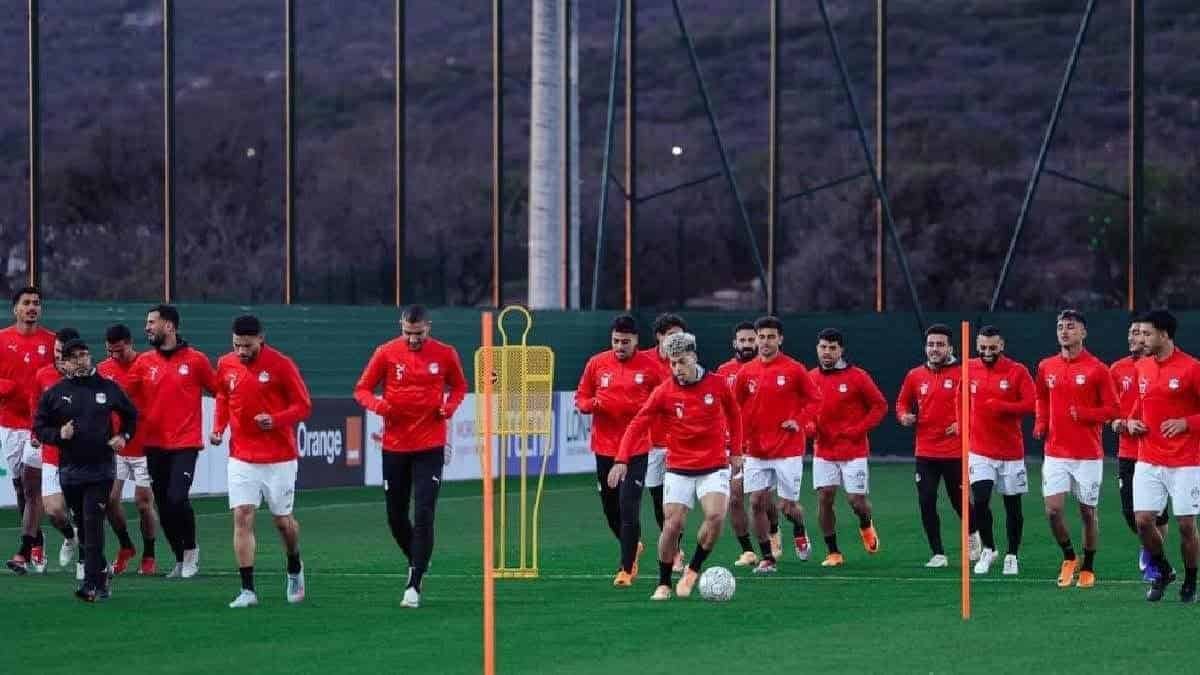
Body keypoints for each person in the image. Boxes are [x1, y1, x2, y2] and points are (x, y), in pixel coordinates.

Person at [609, 332, 742, 601]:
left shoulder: (716, 384)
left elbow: (734, 415)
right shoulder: (664, 391)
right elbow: (638, 423)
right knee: (672, 525)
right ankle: (664, 582)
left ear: (694, 357)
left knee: (716, 517)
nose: (677, 369)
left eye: (681, 362)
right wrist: (622, 459)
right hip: (679, 466)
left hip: (713, 463)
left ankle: (693, 569)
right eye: (672, 363)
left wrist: (736, 451)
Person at [354, 305, 467, 608]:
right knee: (395, 516)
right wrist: (380, 407)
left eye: (418, 334)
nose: (412, 339)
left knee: (425, 512)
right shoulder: (386, 353)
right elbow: (362, 389)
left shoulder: (445, 354)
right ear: (400, 326)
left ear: (428, 327)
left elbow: (459, 387)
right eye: (407, 333)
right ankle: (418, 558)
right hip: (395, 446)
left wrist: (449, 408)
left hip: (430, 445)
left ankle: (414, 583)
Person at [211, 315, 312, 608]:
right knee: (242, 514)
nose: (241, 351)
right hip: (241, 456)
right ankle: (247, 590)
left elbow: (304, 405)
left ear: (261, 339)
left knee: (283, 522)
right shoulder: (226, 363)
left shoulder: (281, 365)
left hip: (279, 457)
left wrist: (276, 420)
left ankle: (294, 564)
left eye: (247, 345)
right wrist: (219, 427)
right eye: (237, 345)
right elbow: (221, 396)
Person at [33, 338, 137, 601]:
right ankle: (101, 575)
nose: (82, 360)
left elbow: (131, 415)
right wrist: (59, 434)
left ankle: (90, 584)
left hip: (101, 470)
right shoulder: (56, 393)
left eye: (85, 354)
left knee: (92, 522)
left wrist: (123, 435)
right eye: (75, 356)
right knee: (83, 524)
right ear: (64, 362)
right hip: (70, 471)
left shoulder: (108, 388)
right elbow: (39, 427)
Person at [127, 305, 218, 579]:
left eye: (151, 322)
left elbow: (219, 392)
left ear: (169, 326)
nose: (147, 327)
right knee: (164, 504)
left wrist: (221, 426)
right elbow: (123, 395)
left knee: (178, 498)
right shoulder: (143, 362)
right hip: (153, 444)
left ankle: (191, 552)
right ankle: (179, 559)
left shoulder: (197, 360)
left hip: (185, 443)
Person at [574, 314, 665, 586]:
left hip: (636, 448)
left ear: (636, 340)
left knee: (629, 506)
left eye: (625, 342)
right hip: (604, 448)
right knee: (610, 508)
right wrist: (592, 404)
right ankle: (632, 544)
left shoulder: (650, 367)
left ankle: (626, 569)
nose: (620, 346)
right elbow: (581, 397)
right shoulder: (597, 363)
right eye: (615, 341)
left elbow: (664, 399)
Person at [1034, 309, 1119, 589]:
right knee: (1053, 511)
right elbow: (1042, 398)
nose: (1064, 331)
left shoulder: (1098, 369)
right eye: (1060, 326)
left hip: (1087, 455)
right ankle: (1070, 557)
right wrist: (1041, 423)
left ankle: (1089, 565)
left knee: (1087, 512)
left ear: (1083, 332)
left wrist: (1084, 414)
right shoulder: (1046, 366)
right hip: (1056, 453)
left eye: (1070, 327)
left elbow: (1112, 409)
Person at [734, 316, 821, 574]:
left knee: (786, 506)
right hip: (756, 451)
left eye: (771, 337)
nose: (765, 342)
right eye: (761, 337)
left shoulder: (794, 369)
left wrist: (799, 421)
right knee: (757, 501)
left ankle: (798, 527)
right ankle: (767, 557)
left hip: (787, 449)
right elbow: (733, 408)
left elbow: (815, 400)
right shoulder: (746, 372)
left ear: (780, 339)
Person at [1127, 310, 1200, 602]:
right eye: (1140, 333)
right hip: (1148, 459)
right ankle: (1164, 570)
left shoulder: (1192, 368)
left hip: (1185, 461)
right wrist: (1131, 421)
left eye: (1147, 334)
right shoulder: (1142, 367)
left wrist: (1187, 423)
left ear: (1165, 335)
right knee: (1143, 521)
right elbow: (1140, 405)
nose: (1140, 339)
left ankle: (1191, 580)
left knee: (1185, 525)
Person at [808, 328, 887, 567]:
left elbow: (880, 406)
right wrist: (809, 426)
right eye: (823, 347)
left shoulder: (857, 376)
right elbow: (801, 409)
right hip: (823, 450)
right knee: (824, 498)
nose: (827, 352)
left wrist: (857, 430)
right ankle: (833, 552)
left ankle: (865, 523)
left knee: (856, 501)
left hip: (853, 451)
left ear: (841, 350)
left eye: (832, 348)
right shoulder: (810, 377)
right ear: (817, 349)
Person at [8, 327, 80, 576]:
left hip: (77, 452)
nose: (59, 357)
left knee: (77, 507)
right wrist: (35, 432)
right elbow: (35, 406)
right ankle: (27, 549)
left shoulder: (88, 379)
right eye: (56, 351)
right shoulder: (44, 375)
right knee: (31, 492)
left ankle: (90, 560)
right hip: (45, 445)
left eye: (64, 353)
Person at [964, 325, 1035, 575]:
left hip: (1010, 452)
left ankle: (1012, 554)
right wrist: (961, 427)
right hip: (980, 450)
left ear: (1001, 346)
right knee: (980, 500)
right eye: (982, 347)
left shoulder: (1017, 371)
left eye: (992, 348)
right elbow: (959, 400)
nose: (987, 352)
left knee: (1012, 506)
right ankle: (989, 549)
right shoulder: (969, 368)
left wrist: (1004, 406)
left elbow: (1031, 403)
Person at [896, 324, 965, 568]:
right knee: (926, 500)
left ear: (950, 347)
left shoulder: (963, 373)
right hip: (925, 451)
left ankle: (976, 538)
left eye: (940, 344)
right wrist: (904, 416)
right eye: (931, 345)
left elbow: (976, 406)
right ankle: (938, 553)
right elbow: (902, 403)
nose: (935, 349)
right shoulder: (915, 375)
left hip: (955, 451)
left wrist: (962, 423)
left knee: (960, 502)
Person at [0, 286, 56, 573]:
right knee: (20, 485)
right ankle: (36, 537)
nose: (32, 307)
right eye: (27, 303)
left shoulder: (52, 341)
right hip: (9, 424)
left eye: (36, 303)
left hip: (39, 427)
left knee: (32, 485)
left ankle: (26, 547)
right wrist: (5, 388)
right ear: (16, 309)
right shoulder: (2, 340)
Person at [715, 321, 780, 566]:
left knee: (759, 499)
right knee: (733, 497)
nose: (747, 344)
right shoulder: (723, 371)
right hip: (732, 444)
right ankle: (748, 550)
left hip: (759, 444)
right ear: (734, 343)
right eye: (742, 341)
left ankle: (774, 530)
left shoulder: (766, 369)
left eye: (751, 340)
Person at [97, 324, 159, 576]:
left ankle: (149, 553)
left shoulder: (146, 364)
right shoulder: (102, 370)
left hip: (145, 445)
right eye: (110, 351)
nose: (115, 356)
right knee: (110, 501)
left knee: (143, 504)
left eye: (119, 351)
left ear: (130, 343)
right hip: (117, 447)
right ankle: (125, 546)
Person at [1110, 320, 1169, 581]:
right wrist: (1124, 423)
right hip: (1128, 450)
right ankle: (1150, 546)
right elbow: (1107, 413)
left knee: (1158, 513)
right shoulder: (1117, 369)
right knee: (1129, 513)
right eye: (1133, 332)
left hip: (1160, 451)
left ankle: (1153, 559)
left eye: (1143, 333)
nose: (1137, 337)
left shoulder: (1165, 367)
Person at [641, 313, 689, 571]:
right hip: (651, 445)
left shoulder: (685, 361)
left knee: (675, 504)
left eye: (679, 335)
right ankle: (673, 546)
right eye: (671, 335)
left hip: (678, 444)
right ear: (659, 336)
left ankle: (677, 552)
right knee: (658, 500)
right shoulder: (644, 361)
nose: (675, 340)